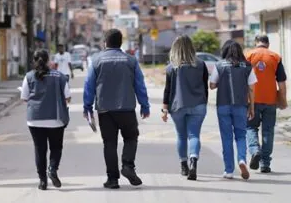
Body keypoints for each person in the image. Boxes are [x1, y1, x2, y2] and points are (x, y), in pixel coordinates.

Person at [83, 29, 150, 189]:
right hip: (126, 108)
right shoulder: (131, 60)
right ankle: (128, 166)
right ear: (120, 43)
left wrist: (87, 107)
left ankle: (112, 179)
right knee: (131, 138)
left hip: (105, 111)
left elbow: (89, 85)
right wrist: (144, 105)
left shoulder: (97, 60)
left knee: (109, 143)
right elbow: (139, 85)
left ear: (105, 42)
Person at [21, 49, 71, 190]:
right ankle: (52, 169)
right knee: (56, 147)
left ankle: (42, 182)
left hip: (35, 119)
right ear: (49, 60)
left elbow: (24, 98)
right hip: (55, 119)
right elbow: (68, 97)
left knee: (40, 149)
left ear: (34, 60)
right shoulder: (60, 76)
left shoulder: (29, 76)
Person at [161, 35, 208, 181]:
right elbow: (205, 86)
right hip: (198, 105)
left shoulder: (171, 67)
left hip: (177, 106)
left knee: (181, 136)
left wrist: (164, 109)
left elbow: (167, 90)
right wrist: (204, 102)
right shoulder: (201, 64)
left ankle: (183, 165)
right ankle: (193, 161)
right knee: (194, 135)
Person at [210, 40, 256, 180]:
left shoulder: (219, 65)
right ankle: (241, 159)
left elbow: (212, 85)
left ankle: (229, 170)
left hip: (223, 105)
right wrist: (252, 107)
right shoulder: (247, 66)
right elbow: (251, 88)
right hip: (241, 106)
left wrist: (220, 83)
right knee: (241, 136)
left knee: (226, 138)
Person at [245, 35, 288, 173]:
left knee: (251, 128)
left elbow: (242, 78)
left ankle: (254, 150)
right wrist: (283, 100)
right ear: (268, 44)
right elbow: (281, 83)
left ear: (255, 43)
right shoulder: (276, 57)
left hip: (251, 100)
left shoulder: (249, 56)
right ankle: (265, 164)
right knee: (268, 131)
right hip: (270, 101)